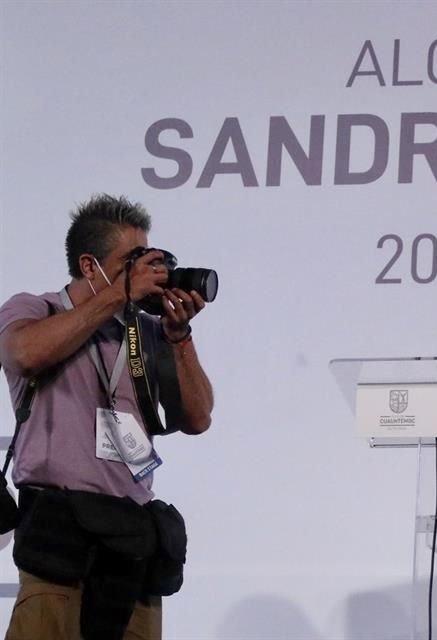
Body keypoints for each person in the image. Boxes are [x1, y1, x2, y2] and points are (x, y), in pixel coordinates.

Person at [0, 194, 214, 640]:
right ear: (89, 265)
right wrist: (120, 294)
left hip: (132, 548)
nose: (146, 274)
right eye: (132, 262)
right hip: (60, 548)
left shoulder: (146, 331)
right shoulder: (36, 309)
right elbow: (25, 354)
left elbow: (198, 418)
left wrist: (179, 337)